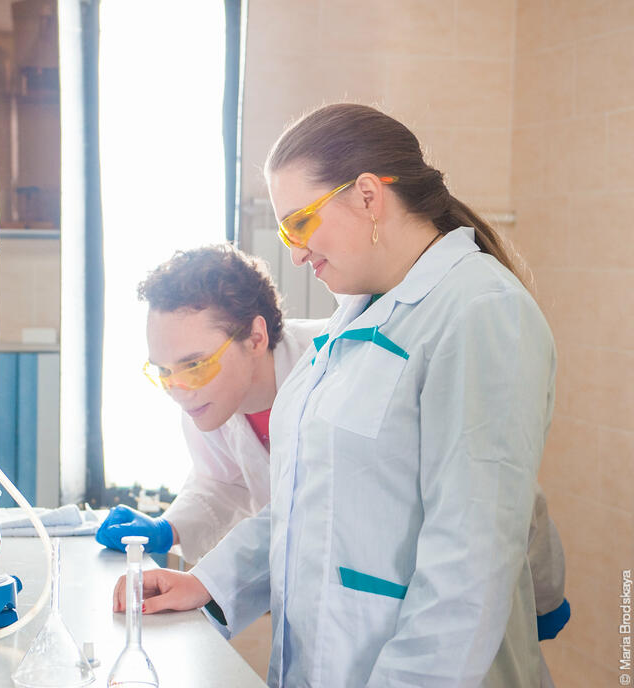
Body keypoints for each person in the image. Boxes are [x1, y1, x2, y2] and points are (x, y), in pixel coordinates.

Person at [112, 103, 564, 687]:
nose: (295, 252)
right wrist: (208, 582)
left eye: (300, 224)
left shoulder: (480, 311)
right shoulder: (355, 317)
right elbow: (308, 508)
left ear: (369, 196)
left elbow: (469, 566)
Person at [95, 244, 327, 564]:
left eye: (194, 365)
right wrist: (167, 529)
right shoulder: (209, 401)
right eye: (164, 371)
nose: (177, 390)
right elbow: (220, 484)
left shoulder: (333, 363)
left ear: (256, 338)